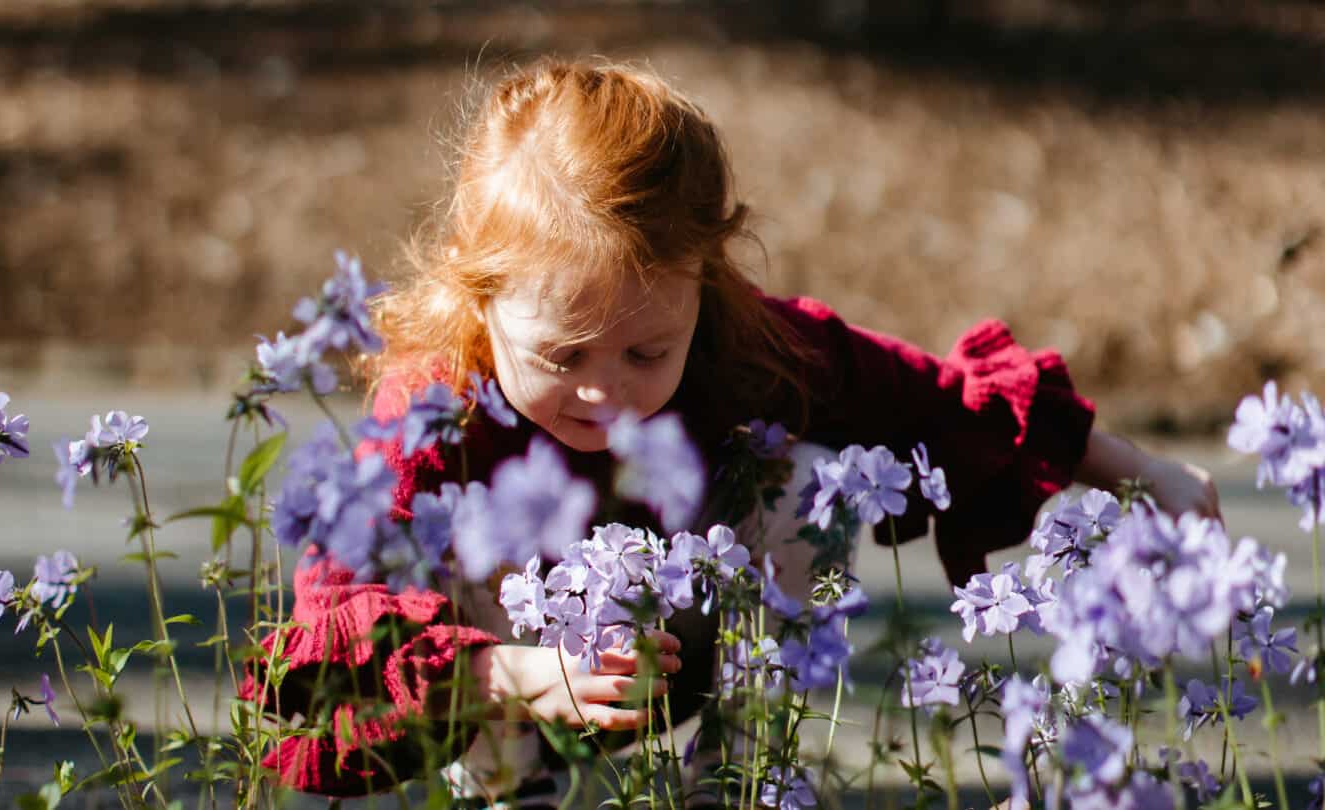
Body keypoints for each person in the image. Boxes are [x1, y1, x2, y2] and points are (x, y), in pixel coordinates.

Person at [241, 57, 1221, 800]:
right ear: (479, 295)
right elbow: (336, 622)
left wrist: (1137, 472)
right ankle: (515, 787)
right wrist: (520, 676)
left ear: (702, 288)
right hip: (505, 683)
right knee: (436, 547)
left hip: (682, 649)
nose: (606, 395)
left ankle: (741, 779)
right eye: (564, 356)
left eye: (644, 354)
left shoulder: (735, 347)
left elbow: (923, 395)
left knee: (802, 483)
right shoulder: (432, 402)